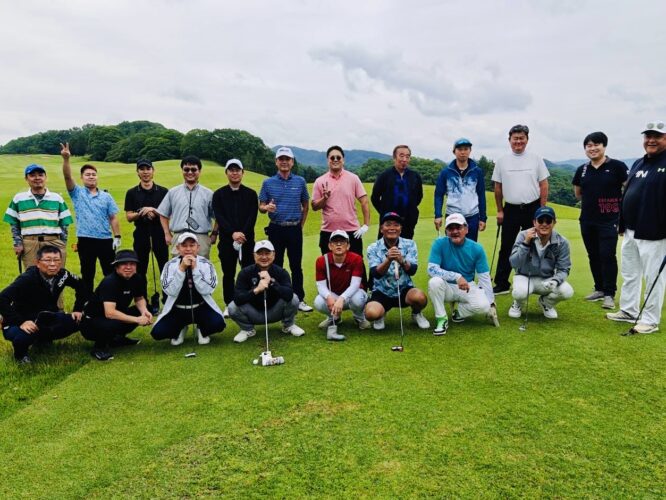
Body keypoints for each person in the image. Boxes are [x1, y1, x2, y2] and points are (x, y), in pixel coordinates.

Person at [606, 120, 666, 334]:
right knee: (630, 273)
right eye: (648, 136)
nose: (651, 140)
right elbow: (627, 194)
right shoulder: (639, 163)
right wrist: (622, 224)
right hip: (631, 229)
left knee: (653, 276)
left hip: (655, 232)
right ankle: (629, 310)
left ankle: (650, 320)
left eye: (657, 136)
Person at [0, 245, 85, 364]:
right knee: (22, 337)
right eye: (47, 260)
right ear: (38, 263)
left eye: (56, 260)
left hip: (46, 317)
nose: (53, 264)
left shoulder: (63, 274)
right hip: (21, 320)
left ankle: (44, 339)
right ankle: (21, 355)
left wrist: (78, 309)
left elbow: (81, 286)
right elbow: (2, 298)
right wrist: (21, 322)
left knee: (82, 320)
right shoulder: (27, 279)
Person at [572, 132, 628, 310]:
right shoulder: (582, 169)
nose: (593, 148)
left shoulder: (617, 166)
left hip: (609, 219)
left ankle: (609, 293)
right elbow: (578, 194)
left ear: (604, 146)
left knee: (607, 255)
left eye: (596, 144)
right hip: (587, 219)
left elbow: (628, 190)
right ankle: (599, 289)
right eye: (589, 145)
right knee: (593, 255)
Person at [491, 125, 549, 295]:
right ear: (509, 140)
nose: (518, 141)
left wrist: (542, 210)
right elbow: (498, 188)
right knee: (507, 245)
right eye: (515, 138)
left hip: (533, 208)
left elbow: (544, 184)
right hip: (511, 209)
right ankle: (502, 283)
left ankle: (534, 280)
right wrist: (500, 210)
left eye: (521, 138)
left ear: (527, 140)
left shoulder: (536, 159)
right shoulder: (502, 161)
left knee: (535, 244)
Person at [60, 142, 121, 297]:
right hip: (85, 240)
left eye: (94, 174)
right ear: (82, 178)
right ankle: (87, 302)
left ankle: (110, 300)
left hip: (105, 240)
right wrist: (66, 159)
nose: (91, 176)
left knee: (110, 273)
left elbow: (113, 217)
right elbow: (67, 176)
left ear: (97, 177)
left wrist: (117, 236)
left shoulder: (106, 196)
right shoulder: (77, 193)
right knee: (87, 273)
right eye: (87, 174)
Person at [258, 146, 312, 312]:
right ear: (276, 162)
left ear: (292, 162)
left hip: (294, 229)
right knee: (276, 265)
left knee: (296, 265)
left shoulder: (300, 181)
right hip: (276, 228)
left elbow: (305, 205)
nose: (284, 162)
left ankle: (299, 298)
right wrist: (267, 207)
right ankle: (277, 298)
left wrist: (300, 225)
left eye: (287, 159)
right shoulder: (268, 183)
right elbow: (261, 206)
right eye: (281, 159)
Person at [427, 213, 499, 335]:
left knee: (484, 306)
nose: (455, 231)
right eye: (451, 228)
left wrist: (491, 302)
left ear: (466, 229)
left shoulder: (477, 248)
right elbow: (431, 269)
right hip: (446, 286)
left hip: (467, 286)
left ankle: (458, 311)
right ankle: (441, 319)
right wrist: (457, 277)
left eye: (458, 227)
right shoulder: (439, 243)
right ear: (446, 231)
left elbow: (484, 277)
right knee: (434, 282)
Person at [151, 233, 225, 346]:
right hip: (177, 309)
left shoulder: (206, 264)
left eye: (192, 245)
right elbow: (170, 291)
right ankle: (181, 327)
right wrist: (181, 269)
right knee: (158, 332)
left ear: (198, 247)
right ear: (178, 248)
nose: (188, 249)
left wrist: (195, 269)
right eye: (184, 245)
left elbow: (207, 290)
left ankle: (202, 329)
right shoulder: (169, 265)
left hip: (201, 307)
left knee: (218, 323)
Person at [80, 250, 152, 361]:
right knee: (114, 323)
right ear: (116, 266)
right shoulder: (110, 282)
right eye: (124, 264)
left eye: (132, 264)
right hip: (91, 323)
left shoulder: (137, 278)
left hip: (112, 316)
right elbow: (110, 313)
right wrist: (137, 320)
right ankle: (99, 347)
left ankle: (116, 339)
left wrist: (144, 312)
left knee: (145, 309)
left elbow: (139, 298)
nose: (128, 267)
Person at [228, 240, 304, 343]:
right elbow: (237, 299)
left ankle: (288, 325)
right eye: (260, 254)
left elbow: (289, 295)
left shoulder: (281, 272)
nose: (264, 257)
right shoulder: (245, 273)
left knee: (294, 299)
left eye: (267, 253)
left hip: (275, 311)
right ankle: (247, 329)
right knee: (232, 307)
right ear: (254, 255)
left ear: (274, 255)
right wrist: (256, 290)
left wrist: (272, 282)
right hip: (253, 313)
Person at [364, 212, 429, 330]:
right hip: (382, 291)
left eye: (396, 225)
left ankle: (416, 313)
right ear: (381, 229)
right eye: (388, 224)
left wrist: (401, 260)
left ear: (400, 229)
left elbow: (412, 270)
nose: (392, 228)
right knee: (371, 314)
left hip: (404, 289)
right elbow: (376, 274)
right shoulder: (373, 247)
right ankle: (380, 315)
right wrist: (388, 260)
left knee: (420, 298)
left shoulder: (410, 244)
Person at [508, 206, 573, 320]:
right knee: (520, 292)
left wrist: (555, 280)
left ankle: (545, 303)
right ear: (534, 222)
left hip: (546, 280)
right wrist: (526, 243)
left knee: (567, 291)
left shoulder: (562, 242)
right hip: (524, 276)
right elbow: (514, 263)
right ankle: (518, 303)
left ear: (554, 223)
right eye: (540, 221)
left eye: (548, 221)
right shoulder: (523, 235)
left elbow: (564, 269)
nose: (544, 224)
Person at [211, 159, 258, 315]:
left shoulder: (251, 194)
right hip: (226, 240)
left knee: (248, 272)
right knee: (229, 273)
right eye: (231, 170)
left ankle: (248, 301)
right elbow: (220, 217)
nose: (234, 173)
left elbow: (252, 217)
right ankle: (229, 303)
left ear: (242, 173)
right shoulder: (219, 195)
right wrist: (233, 233)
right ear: (226, 173)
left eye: (237, 170)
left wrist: (242, 233)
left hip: (247, 240)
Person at [4, 164, 72, 269]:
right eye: (32, 175)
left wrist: (62, 244)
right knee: (32, 275)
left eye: (40, 175)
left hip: (53, 242)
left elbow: (64, 224)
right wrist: (18, 243)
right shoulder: (18, 198)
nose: (37, 178)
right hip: (30, 244)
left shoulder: (56, 198)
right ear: (26, 179)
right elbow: (14, 224)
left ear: (45, 177)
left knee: (54, 274)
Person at [311, 146, 370, 256]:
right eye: (332, 158)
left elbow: (364, 201)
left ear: (343, 160)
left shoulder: (353, 178)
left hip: (352, 230)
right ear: (328, 160)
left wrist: (366, 225)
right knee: (329, 265)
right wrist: (324, 198)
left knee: (356, 264)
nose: (335, 160)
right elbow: (314, 206)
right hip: (328, 231)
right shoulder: (320, 181)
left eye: (338, 157)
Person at [314, 230, 370, 341]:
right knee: (319, 302)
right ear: (330, 246)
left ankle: (359, 317)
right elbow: (321, 285)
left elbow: (355, 284)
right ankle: (333, 317)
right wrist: (329, 297)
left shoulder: (356, 259)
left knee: (358, 299)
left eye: (342, 242)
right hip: (334, 295)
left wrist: (341, 299)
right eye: (335, 242)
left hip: (352, 295)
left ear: (348, 245)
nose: (338, 244)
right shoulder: (321, 261)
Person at [157, 155, 215, 259]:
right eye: (186, 169)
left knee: (201, 267)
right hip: (179, 236)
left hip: (201, 237)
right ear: (182, 171)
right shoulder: (173, 192)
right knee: (178, 266)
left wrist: (214, 234)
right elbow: (163, 214)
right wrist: (167, 234)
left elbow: (219, 216)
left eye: (194, 169)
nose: (190, 172)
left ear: (199, 171)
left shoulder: (208, 194)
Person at [433, 138, 487, 241]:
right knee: (452, 246)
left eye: (466, 149)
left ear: (470, 151)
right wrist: (438, 215)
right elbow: (439, 195)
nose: (463, 152)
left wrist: (483, 218)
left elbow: (481, 195)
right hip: (452, 216)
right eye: (460, 149)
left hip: (472, 216)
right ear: (454, 151)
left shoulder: (477, 171)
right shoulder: (446, 172)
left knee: (470, 247)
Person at [124, 158, 169, 280]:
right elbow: (129, 216)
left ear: (153, 170)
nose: (145, 172)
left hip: (160, 232)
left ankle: (167, 292)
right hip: (141, 233)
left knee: (164, 266)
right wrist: (141, 212)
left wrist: (153, 210)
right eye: (142, 169)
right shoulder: (131, 192)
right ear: (137, 172)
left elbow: (169, 215)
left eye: (148, 169)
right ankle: (140, 292)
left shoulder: (163, 191)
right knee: (140, 268)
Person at [371, 145, 424, 239]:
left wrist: (410, 210)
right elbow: (375, 198)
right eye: (401, 156)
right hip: (388, 221)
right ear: (394, 157)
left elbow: (418, 197)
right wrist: (385, 212)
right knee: (386, 245)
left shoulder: (415, 176)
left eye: (407, 156)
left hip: (408, 221)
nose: (404, 159)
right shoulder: (384, 176)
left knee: (406, 245)